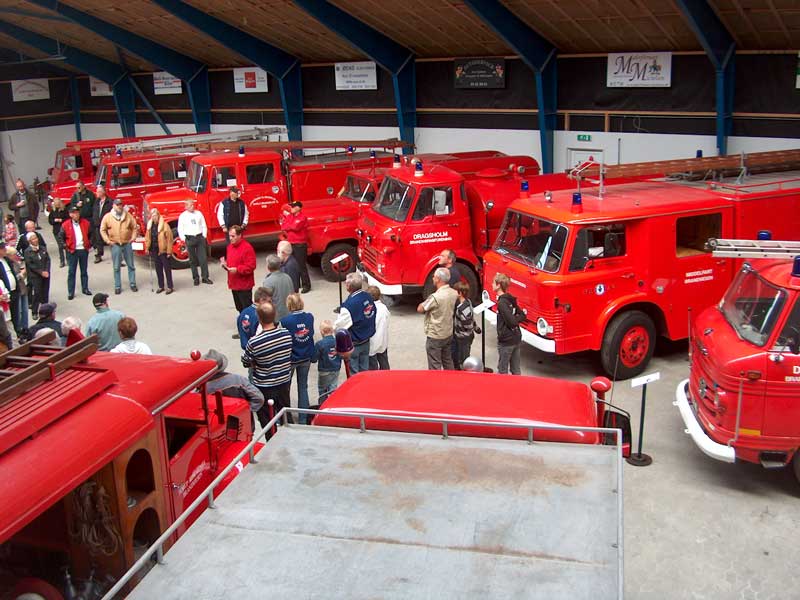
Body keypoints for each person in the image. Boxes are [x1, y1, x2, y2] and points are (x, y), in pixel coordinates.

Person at [242, 302, 293, 428]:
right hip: (283, 382)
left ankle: (271, 437)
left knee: (267, 419)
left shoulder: (254, 342)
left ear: (259, 318)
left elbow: (246, 362)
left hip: (264, 385)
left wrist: (255, 362)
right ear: (274, 315)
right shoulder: (286, 334)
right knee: (285, 414)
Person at [280, 293, 315, 425]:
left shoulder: (285, 321)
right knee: (303, 387)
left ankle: (287, 418)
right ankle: (303, 419)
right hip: (305, 357)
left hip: (291, 359)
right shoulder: (309, 317)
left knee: (285, 389)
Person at [333, 271, 376, 374]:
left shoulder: (349, 305)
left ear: (348, 286)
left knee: (354, 374)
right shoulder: (368, 296)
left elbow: (339, 327)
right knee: (364, 371)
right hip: (367, 340)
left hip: (354, 344)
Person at [417, 267, 458, 370]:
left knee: (434, 364)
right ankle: (451, 378)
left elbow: (420, 309)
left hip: (435, 335)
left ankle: (436, 380)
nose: (432, 278)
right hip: (448, 332)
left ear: (438, 279)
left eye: (434, 276)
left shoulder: (435, 297)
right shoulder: (454, 293)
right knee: (447, 360)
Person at [203, 349, 264, 414]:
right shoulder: (238, 379)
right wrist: (246, 411)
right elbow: (259, 398)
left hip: (216, 418)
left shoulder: (202, 387)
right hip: (240, 417)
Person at [100, 198, 138, 294]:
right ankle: (117, 286)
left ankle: (133, 284)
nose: (119, 206)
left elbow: (134, 227)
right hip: (115, 244)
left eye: (120, 204)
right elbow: (102, 230)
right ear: (113, 206)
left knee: (131, 265)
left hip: (127, 243)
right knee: (116, 267)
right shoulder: (108, 217)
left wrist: (133, 237)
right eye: (117, 205)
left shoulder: (128, 216)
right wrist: (108, 241)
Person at [493, 272, 526, 375]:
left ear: (498, 285)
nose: (492, 285)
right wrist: (516, 318)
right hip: (516, 337)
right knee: (516, 369)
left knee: (502, 370)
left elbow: (511, 322)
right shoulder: (510, 299)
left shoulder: (502, 303)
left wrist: (514, 319)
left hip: (507, 340)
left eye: (493, 283)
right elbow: (522, 315)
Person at [220, 225, 256, 316]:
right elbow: (231, 261)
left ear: (240, 235)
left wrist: (237, 270)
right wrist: (225, 265)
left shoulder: (247, 248)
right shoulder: (229, 247)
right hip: (234, 284)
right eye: (229, 236)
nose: (230, 238)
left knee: (247, 308)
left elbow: (251, 266)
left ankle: (250, 323)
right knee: (239, 307)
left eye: (233, 236)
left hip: (244, 285)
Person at [60, 206, 92, 300]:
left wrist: (89, 244)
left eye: (77, 213)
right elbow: (61, 237)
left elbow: (91, 234)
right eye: (74, 213)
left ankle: (85, 288)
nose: (76, 215)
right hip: (72, 250)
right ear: (70, 214)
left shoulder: (86, 223)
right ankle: (71, 292)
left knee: (84, 271)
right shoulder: (65, 225)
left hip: (83, 249)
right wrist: (66, 247)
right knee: (71, 272)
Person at [177, 199, 211, 286]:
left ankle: (205, 277)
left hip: (199, 237)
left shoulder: (199, 214)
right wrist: (184, 239)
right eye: (190, 205)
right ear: (186, 206)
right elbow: (180, 228)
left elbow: (203, 225)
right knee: (192, 260)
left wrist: (204, 236)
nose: (192, 206)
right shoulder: (183, 216)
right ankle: (196, 278)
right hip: (189, 238)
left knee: (203, 258)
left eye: (193, 205)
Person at [280, 201, 310, 293]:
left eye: (293, 207)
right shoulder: (290, 216)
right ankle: (296, 283)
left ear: (298, 208)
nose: (291, 208)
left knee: (301, 265)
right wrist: (290, 226)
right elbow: (283, 227)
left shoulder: (302, 217)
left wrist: (289, 226)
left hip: (300, 244)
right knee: (293, 265)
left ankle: (306, 285)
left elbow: (296, 227)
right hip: (291, 243)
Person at [143, 207, 174, 294]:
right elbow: (147, 238)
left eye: (155, 215)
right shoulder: (150, 226)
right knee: (158, 268)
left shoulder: (164, 225)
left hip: (163, 250)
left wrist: (169, 251)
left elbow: (169, 239)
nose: (154, 217)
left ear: (158, 215)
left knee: (167, 269)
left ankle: (170, 286)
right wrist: (147, 248)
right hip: (154, 249)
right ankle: (161, 286)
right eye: (152, 216)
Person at [452, 280, 480, 370]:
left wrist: (470, 327)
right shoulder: (468, 302)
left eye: (455, 291)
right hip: (465, 336)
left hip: (463, 338)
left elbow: (468, 323)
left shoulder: (462, 308)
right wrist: (476, 328)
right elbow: (471, 319)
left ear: (460, 293)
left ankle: (464, 372)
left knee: (463, 359)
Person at [314, 320, 341, 404]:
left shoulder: (319, 344)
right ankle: (333, 404)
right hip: (336, 368)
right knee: (333, 388)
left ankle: (323, 405)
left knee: (322, 389)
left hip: (324, 370)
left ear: (322, 331)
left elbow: (314, 358)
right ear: (332, 330)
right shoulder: (338, 341)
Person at [23, 232, 50, 316]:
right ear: (29, 241)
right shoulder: (27, 251)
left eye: (36, 238)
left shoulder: (42, 248)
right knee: (37, 293)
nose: (35, 240)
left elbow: (47, 260)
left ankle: (45, 311)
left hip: (45, 274)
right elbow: (30, 265)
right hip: (35, 276)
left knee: (45, 292)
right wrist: (41, 272)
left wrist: (46, 270)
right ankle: (34, 311)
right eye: (33, 239)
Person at [262, 254, 293, 321]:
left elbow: (266, 301)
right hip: (289, 314)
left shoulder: (268, 281)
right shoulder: (287, 277)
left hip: (277, 317)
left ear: (268, 266)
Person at [0, 242, 21, 337]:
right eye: (2, 248)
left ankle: (18, 334)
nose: (5, 250)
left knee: (16, 316)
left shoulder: (6, 259)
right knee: (9, 317)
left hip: (14, 291)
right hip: (6, 294)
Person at [367, 286, 390, 370]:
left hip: (372, 341)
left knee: (372, 367)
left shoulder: (368, 310)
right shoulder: (384, 308)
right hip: (383, 340)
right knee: (384, 362)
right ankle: (387, 375)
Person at [91, 184, 113, 264]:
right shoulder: (96, 202)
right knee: (98, 241)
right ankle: (99, 255)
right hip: (98, 225)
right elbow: (94, 211)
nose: (96, 193)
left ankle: (116, 257)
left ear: (102, 192)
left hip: (108, 225)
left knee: (111, 240)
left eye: (98, 192)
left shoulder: (110, 202)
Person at [48, 198, 68, 268]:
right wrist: (54, 220)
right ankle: (62, 261)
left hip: (64, 230)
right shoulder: (53, 211)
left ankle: (68, 259)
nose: (57, 206)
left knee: (66, 245)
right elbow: (50, 221)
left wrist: (61, 220)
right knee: (60, 246)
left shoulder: (64, 210)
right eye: (56, 204)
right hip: (56, 230)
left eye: (58, 204)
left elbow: (68, 219)